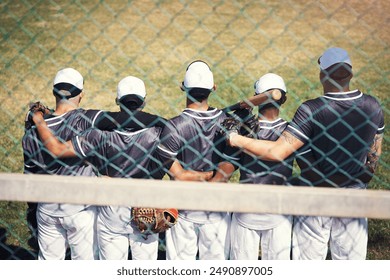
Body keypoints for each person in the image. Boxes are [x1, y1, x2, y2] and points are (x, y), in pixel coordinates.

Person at [222, 47, 384, 260]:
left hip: (316, 201)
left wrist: (235, 138)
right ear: (351, 74)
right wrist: (357, 177)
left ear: (322, 75)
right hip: (354, 199)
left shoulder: (312, 110)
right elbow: (374, 155)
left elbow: (279, 152)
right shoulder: (373, 106)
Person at [31, 75, 212, 260]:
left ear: (117, 101)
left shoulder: (98, 135)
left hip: (111, 212)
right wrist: (210, 175)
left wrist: (39, 120)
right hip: (147, 209)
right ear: (144, 101)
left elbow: (58, 149)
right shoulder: (159, 135)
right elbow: (179, 174)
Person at [22, 68, 165, 260]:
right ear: (81, 94)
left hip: (46, 207)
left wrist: (40, 118)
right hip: (81, 208)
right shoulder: (86, 120)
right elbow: (126, 118)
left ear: (54, 92)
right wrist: (168, 123)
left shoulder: (31, 133)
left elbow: (29, 175)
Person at [149, 60, 230, 260]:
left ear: (182, 87)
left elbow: (177, 175)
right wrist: (212, 175)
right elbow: (229, 166)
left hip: (183, 209)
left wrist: (196, 175)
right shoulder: (227, 122)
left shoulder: (174, 126)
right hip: (217, 209)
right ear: (214, 88)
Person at [212, 73, 293, 260]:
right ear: (284, 99)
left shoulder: (242, 133)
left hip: (246, 212)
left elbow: (224, 175)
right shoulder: (291, 132)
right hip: (279, 213)